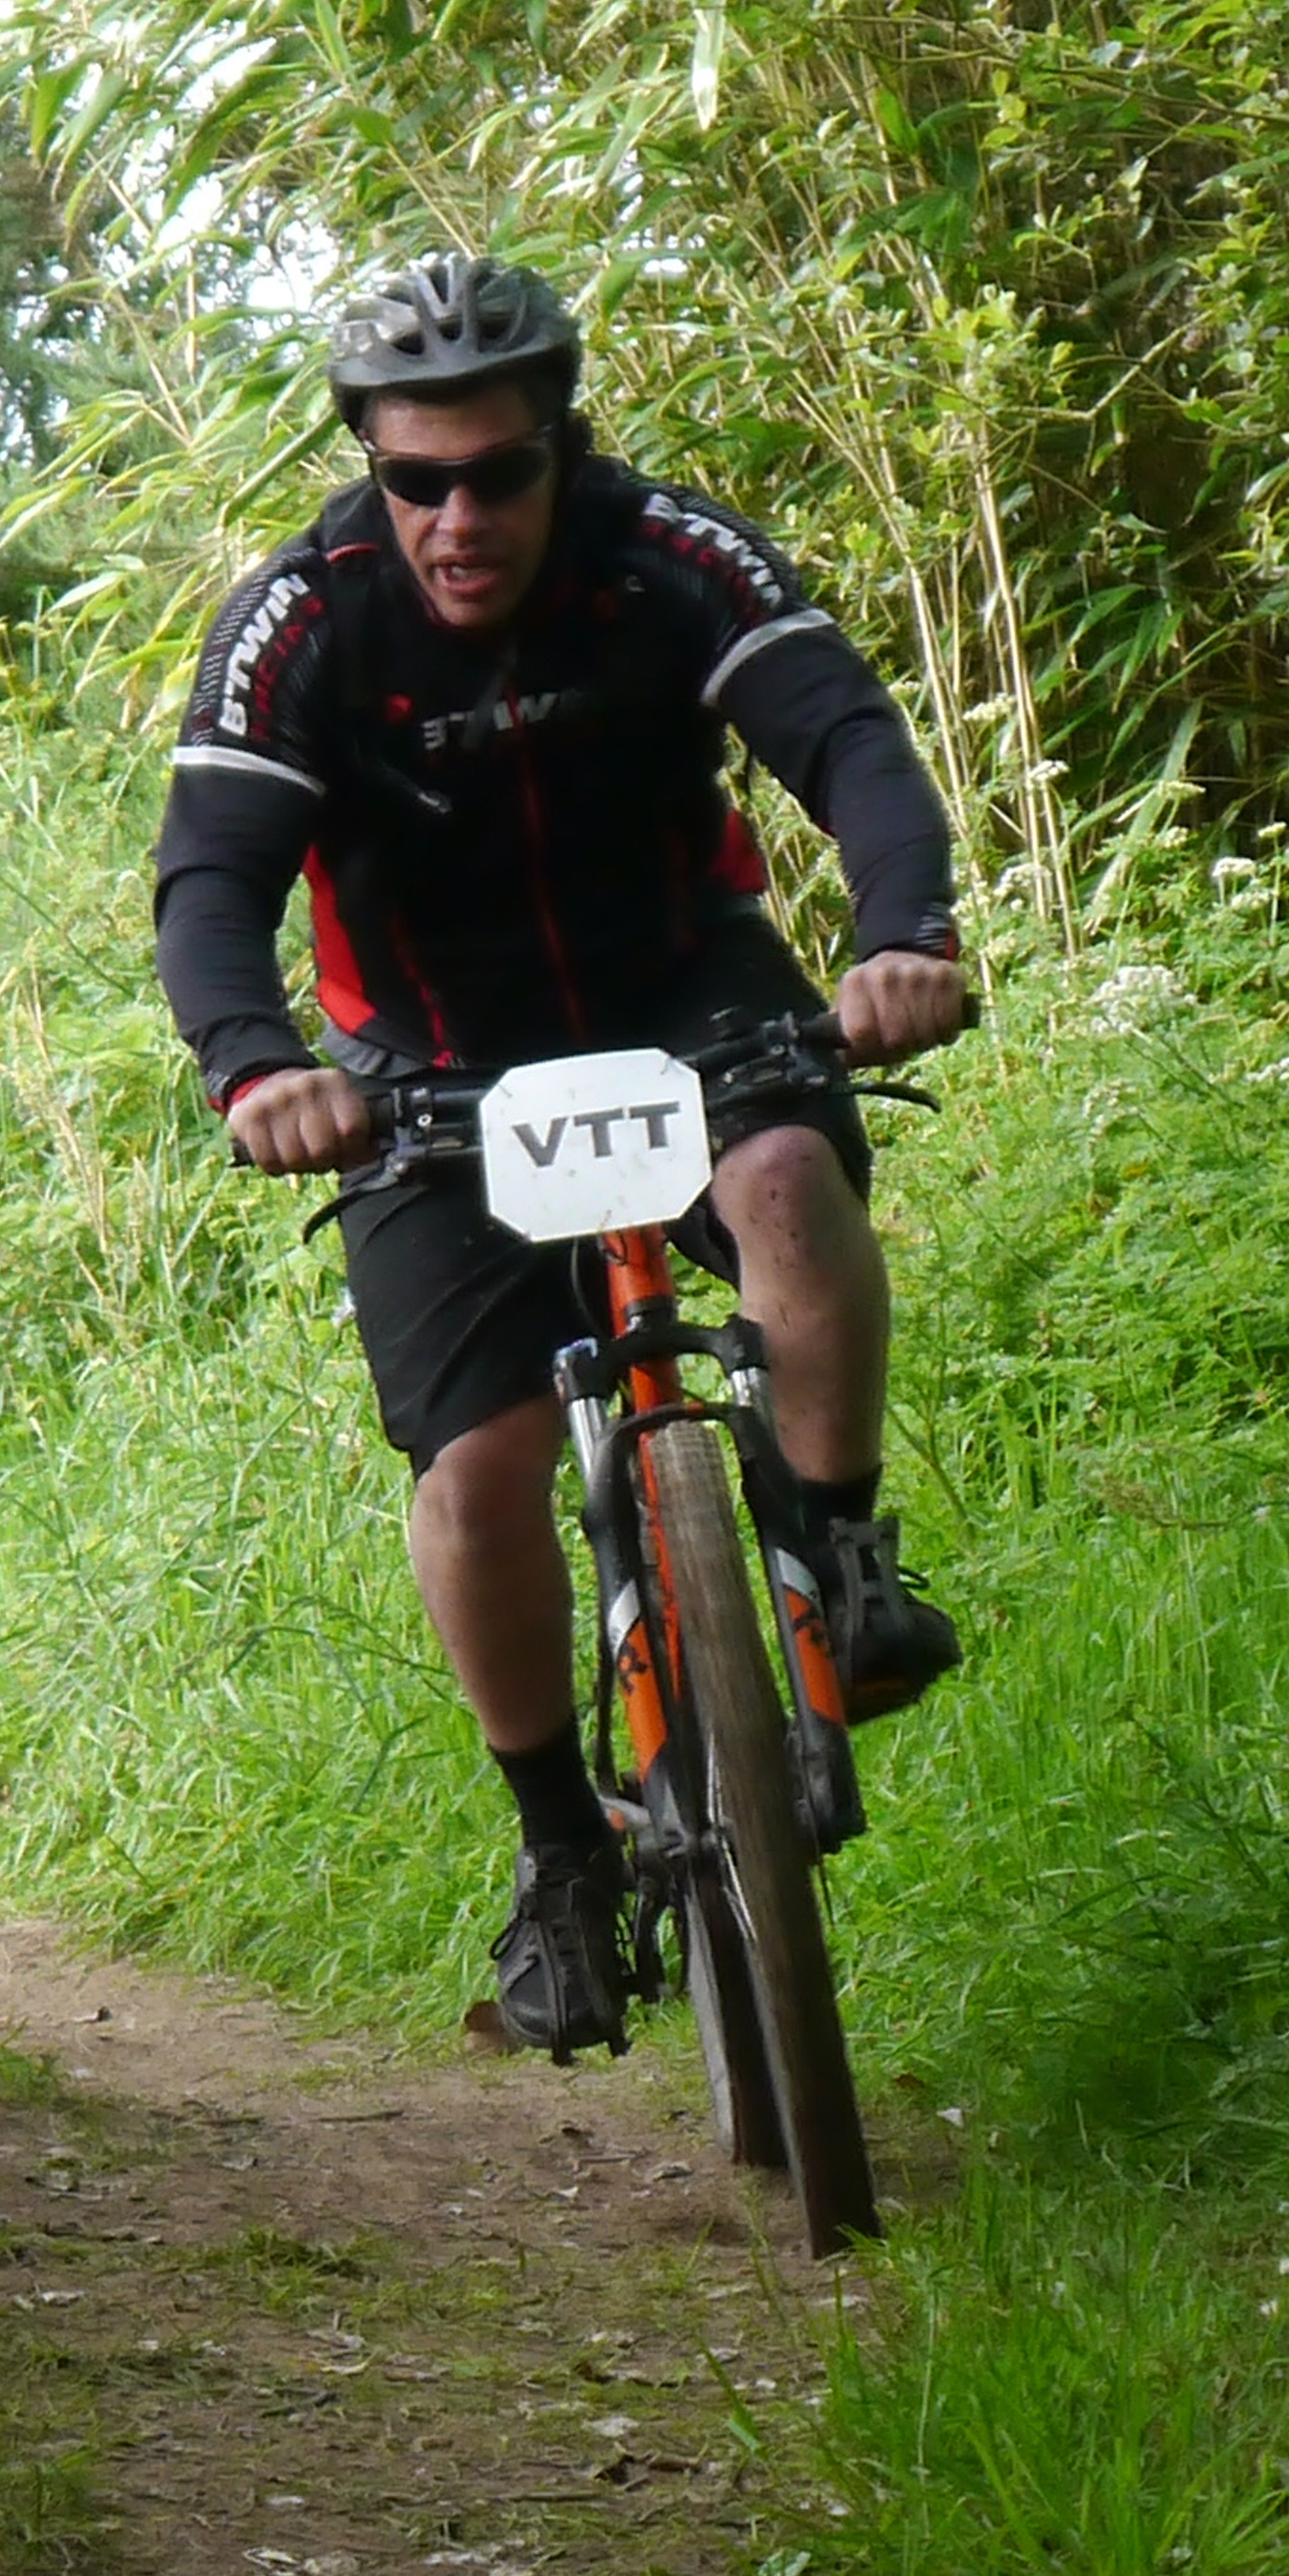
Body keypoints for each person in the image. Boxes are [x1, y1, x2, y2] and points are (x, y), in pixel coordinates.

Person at [154, 253, 970, 2058]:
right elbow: (210, 881)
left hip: (686, 993)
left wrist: (902, 938)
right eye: (415, 479)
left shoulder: (666, 552)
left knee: (783, 1187)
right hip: (428, 1062)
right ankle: (559, 1852)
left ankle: (840, 1563)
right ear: (371, 469)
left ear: (562, 451)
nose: (459, 518)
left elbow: (847, 739)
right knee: (480, 1467)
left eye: (500, 473)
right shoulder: (302, 618)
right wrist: (257, 1068)